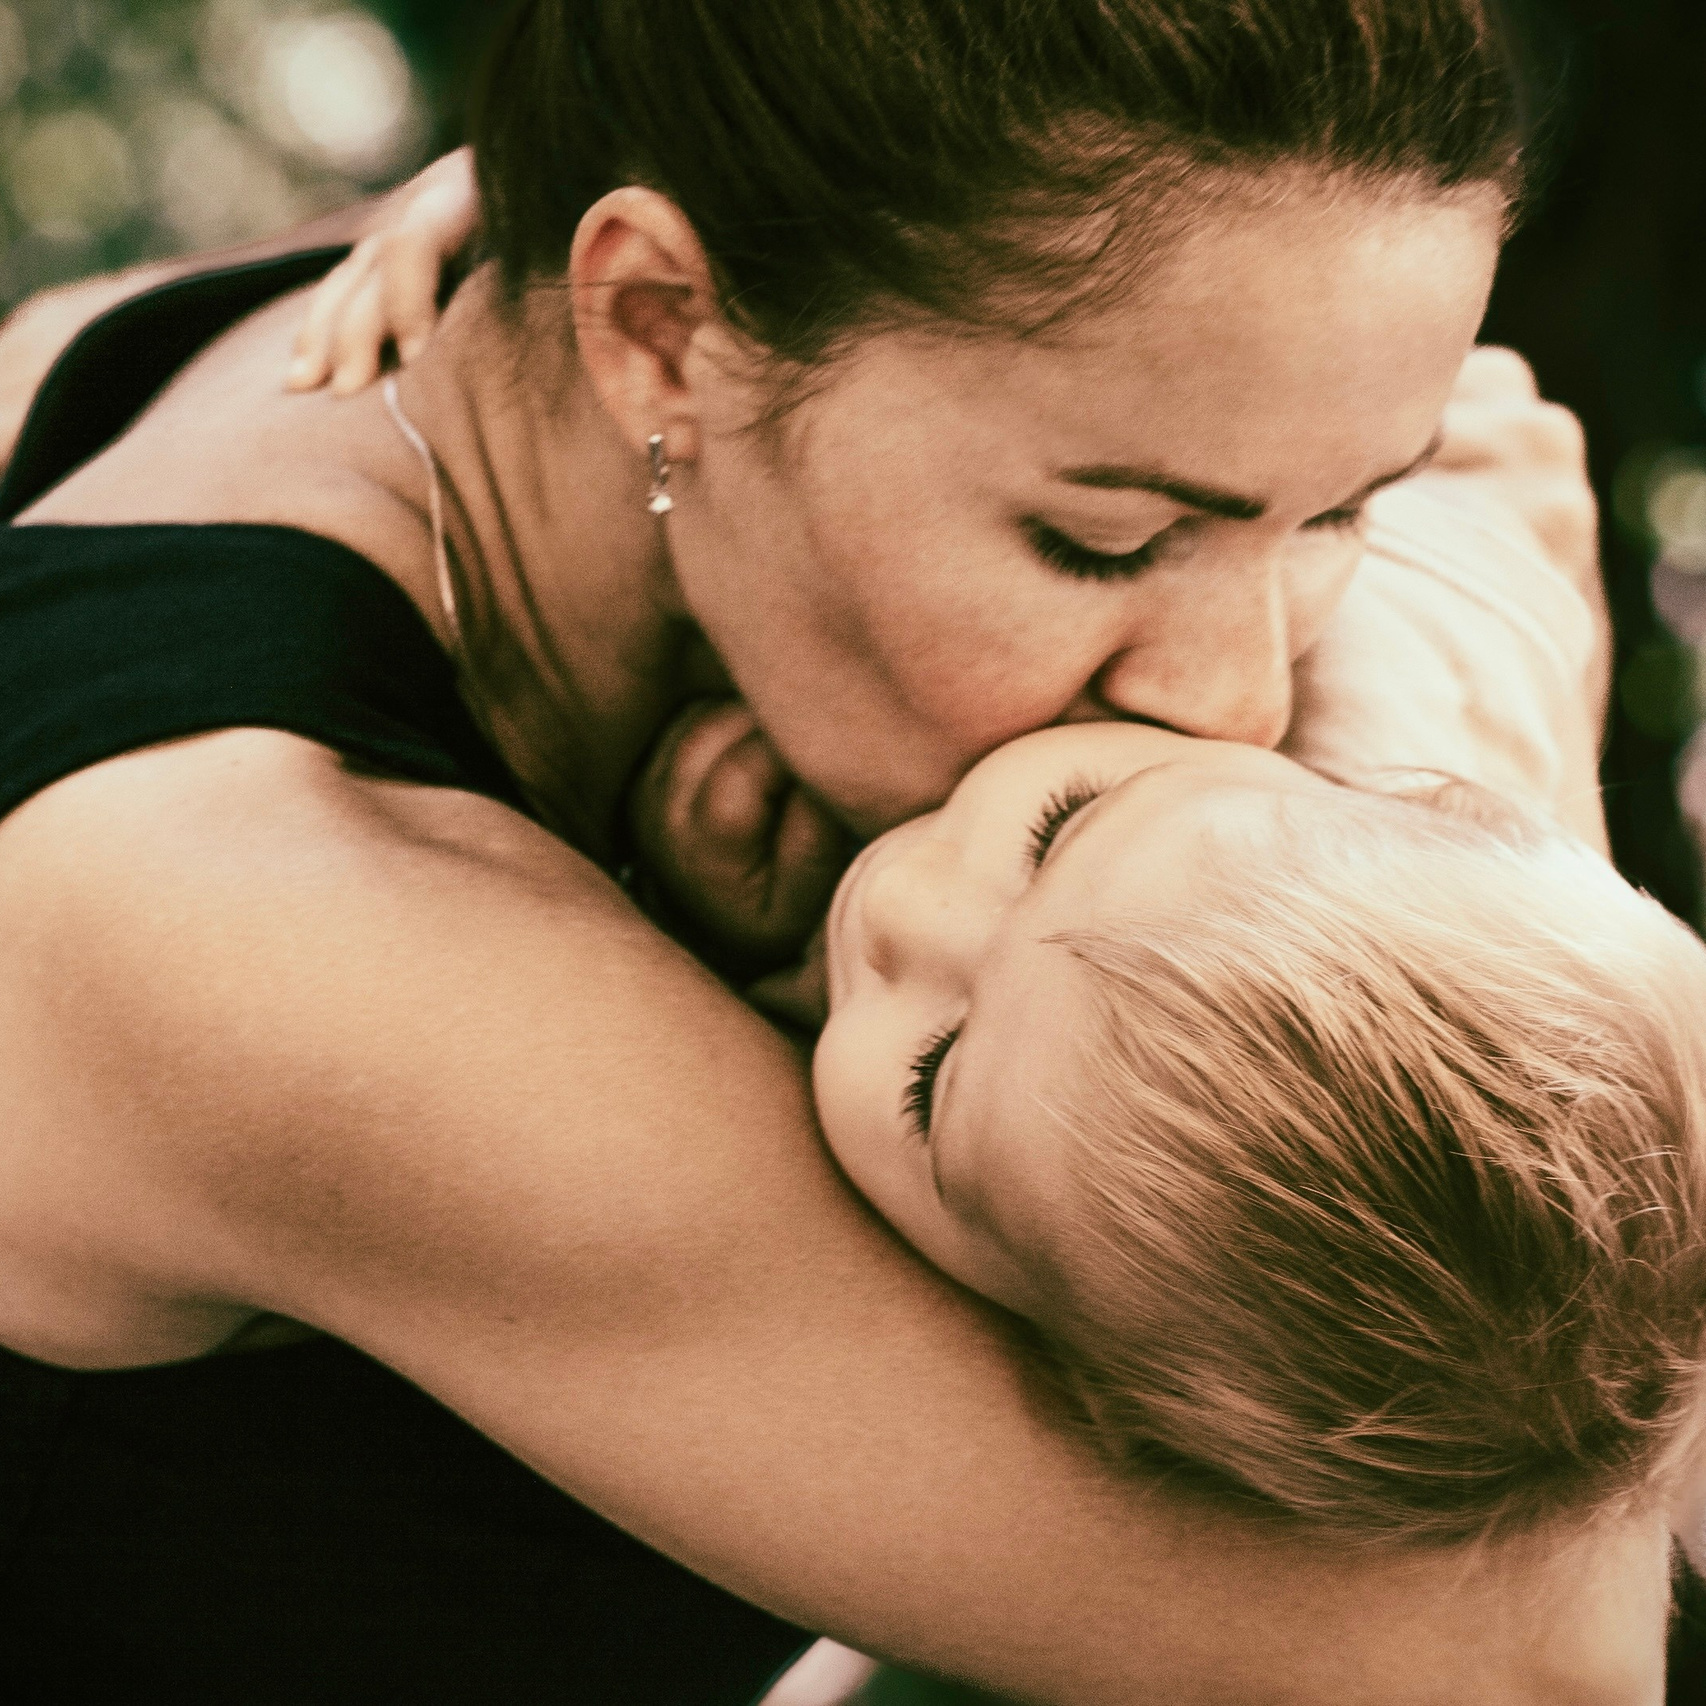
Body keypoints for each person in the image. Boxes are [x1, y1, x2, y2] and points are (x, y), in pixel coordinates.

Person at [0, 1, 1675, 1700]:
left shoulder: (526, 280)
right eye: (1105, 538)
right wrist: (1450, 795)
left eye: (1340, 508)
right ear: (654, 333)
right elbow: (1538, 1653)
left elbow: (1489, 423)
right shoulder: (268, 923)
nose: (1238, 698)